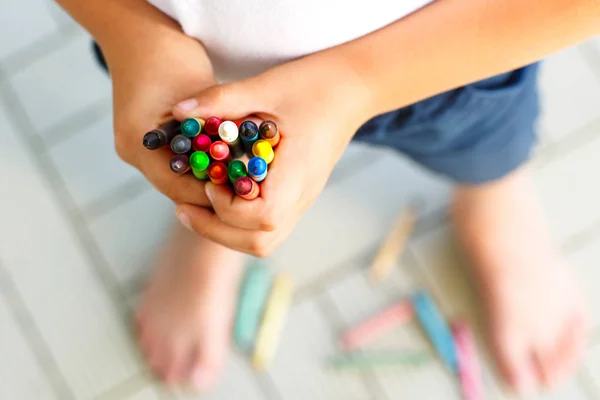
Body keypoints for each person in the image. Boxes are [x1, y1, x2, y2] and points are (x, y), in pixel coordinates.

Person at [57, 0, 597, 394]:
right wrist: (128, 30)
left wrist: (360, 81)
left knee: (481, 142)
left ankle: (491, 197)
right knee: (223, 184)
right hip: (182, 68)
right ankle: (212, 223)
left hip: (451, 48)